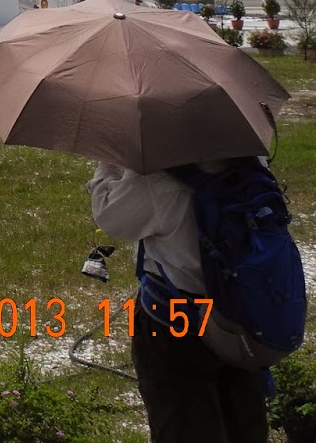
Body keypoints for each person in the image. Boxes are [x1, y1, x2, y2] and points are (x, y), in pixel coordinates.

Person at [88, 161, 269, 442]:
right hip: (244, 310)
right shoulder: (250, 158)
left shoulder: (156, 175)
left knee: (183, 427)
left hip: (174, 321)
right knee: (244, 421)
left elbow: (110, 216)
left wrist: (109, 161)